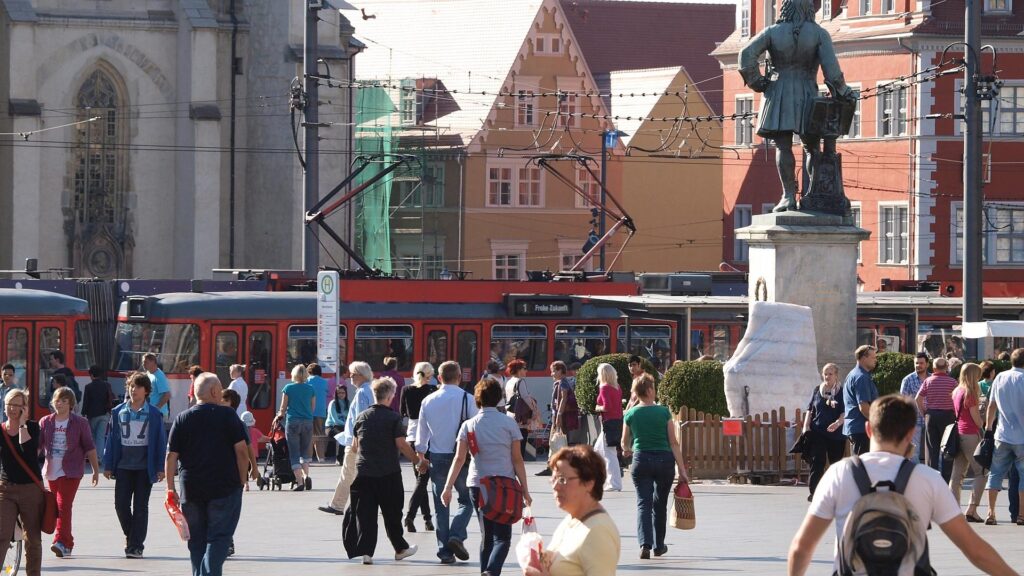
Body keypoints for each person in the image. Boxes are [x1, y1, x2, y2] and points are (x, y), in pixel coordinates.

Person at [787, 395, 1018, 576]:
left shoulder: (840, 473)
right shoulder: (928, 479)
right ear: (911, 434)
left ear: (869, 430)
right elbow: (974, 550)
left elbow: (802, 547)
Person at [737, 0, 855, 213]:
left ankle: (788, 196)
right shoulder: (819, 34)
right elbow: (832, 72)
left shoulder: (773, 31)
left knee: (783, 146)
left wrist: (759, 83)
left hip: (778, 92)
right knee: (812, 147)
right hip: (808, 93)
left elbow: (746, 56)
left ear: (785, 7)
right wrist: (843, 92)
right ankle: (811, 195)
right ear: (809, 8)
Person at [441, 377, 532, 576]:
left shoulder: (469, 425)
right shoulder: (509, 423)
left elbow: (459, 458)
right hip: (504, 485)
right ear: (499, 398)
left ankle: (486, 571)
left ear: (478, 398)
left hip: (478, 484)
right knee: (503, 538)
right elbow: (517, 459)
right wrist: (525, 489)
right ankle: (491, 572)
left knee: (487, 536)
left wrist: (448, 487)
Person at [165, 372, 249, 576]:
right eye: (219, 389)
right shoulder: (228, 415)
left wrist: (171, 487)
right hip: (224, 488)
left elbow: (171, 457)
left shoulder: (182, 418)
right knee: (219, 538)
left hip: (191, 490)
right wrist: (242, 480)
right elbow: (241, 451)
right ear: (213, 391)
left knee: (196, 541)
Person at [342, 377, 419, 565]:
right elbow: (401, 444)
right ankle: (400, 548)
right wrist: (417, 460)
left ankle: (367, 553)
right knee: (392, 513)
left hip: (364, 473)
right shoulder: (393, 418)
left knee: (366, 515)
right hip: (388, 473)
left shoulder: (362, 417)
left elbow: (354, 447)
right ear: (391, 395)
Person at [415, 360, 478, 565]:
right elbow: (475, 429)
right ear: (459, 377)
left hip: (437, 457)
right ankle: (456, 535)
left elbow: (421, 434)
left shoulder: (428, 400)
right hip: (462, 457)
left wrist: (421, 457)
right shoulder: (468, 399)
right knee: (467, 500)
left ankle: (444, 552)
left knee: (440, 505)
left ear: (439, 378)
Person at [523, 445, 620, 576]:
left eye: (562, 479)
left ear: (589, 483)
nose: (555, 486)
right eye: (554, 479)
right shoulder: (572, 519)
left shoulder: (597, 531)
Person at [622, 373, 689, 559]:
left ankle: (645, 544)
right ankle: (659, 546)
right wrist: (682, 470)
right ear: (650, 390)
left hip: (641, 460)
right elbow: (674, 442)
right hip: (664, 461)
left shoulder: (631, 413)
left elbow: (623, 443)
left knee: (643, 503)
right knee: (660, 504)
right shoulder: (664, 412)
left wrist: (627, 450)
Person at [103, 371, 167, 559]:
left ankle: (135, 546)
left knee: (141, 506)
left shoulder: (154, 414)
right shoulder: (118, 411)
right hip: (123, 466)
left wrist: (160, 467)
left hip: (144, 468)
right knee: (120, 505)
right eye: (131, 386)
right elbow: (111, 439)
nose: (134, 390)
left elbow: (160, 442)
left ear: (146, 391)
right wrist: (107, 464)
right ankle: (131, 535)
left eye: (138, 387)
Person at [38, 386, 99, 558]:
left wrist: (95, 470)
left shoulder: (80, 423)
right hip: (51, 471)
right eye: (58, 400)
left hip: (71, 471)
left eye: (65, 401)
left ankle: (61, 542)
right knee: (56, 507)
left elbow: (89, 447)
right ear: (53, 402)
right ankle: (68, 542)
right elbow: (38, 446)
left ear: (71, 404)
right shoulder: (46, 422)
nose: (61, 404)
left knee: (63, 506)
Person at [320, 361, 375, 515]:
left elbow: (361, 418)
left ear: (361, 375)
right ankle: (340, 504)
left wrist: (356, 440)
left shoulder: (362, 393)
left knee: (348, 473)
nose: (350, 377)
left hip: (355, 441)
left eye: (353, 374)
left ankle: (338, 505)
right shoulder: (369, 390)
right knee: (355, 474)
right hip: (359, 440)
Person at [0, 389, 43, 575]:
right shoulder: (1, 430)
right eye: (10, 404)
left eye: (18, 405)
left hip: (30, 490)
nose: (13, 409)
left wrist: (23, 425)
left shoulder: (32, 427)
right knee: (2, 534)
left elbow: (28, 454)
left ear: (24, 408)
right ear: (4, 406)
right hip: (6, 488)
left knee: (32, 538)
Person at [984, 348, 1024, 525]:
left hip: (1002, 434)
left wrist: (988, 426)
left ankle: (991, 512)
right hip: (1022, 437)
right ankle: (1022, 514)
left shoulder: (1000, 377)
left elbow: (991, 405)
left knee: (995, 474)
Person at [400, 361, 436, 533]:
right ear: (429, 375)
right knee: (423, 480)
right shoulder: (432, 390)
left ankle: (428, 519)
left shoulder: (406, 390)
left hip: (412, 436)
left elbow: (402, 412)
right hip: (427, 437)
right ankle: (410, 516)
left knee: (420, 480)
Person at [949, 363, 987, 523]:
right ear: (973, 376)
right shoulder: (970, 393)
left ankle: (952, 510)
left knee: (957, 474)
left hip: (959, 433)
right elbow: (977, 421)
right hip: (971, 434)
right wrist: (983, 417)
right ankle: (972, 509)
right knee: (982, 472)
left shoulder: (957, 391)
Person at [803, 363, 845, 501]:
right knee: (817, 462)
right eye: (825, 373)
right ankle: (814, 493)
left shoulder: (841, 392)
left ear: (836, 375)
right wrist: (806, 426)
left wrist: (838, 423)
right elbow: (810, 409)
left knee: (835, 464)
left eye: (830, 374)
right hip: (818, 432)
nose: (827, 376)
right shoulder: (817, 390)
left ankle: (835, 493)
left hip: (836, 434)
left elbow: (845, 412)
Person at [273, 364, 315, 491]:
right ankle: (306, 475)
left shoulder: (288, 388)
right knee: (305, 451)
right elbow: (312, 407)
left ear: (294, 374)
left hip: (293, 422)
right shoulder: (311, 389)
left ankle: (300, 482)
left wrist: (279, 416)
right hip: (308, 422)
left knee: (294, 453)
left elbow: (283, 408)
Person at [915, 357, 958, 481]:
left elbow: (918, 398)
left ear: (933, 368)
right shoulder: (952, 382)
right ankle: (945, 479)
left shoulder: (928, 381)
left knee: (932, 449)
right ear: (946, 368)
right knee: (947, 449)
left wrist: (924, 412)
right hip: (948, 416)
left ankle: (931, 477)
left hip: (931, 416)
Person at [842, 345, 878, 455]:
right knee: (862, 467)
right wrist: (877, 423)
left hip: (855, 427)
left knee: (861, 466)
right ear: (863, 358)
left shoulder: (853, 374)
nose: (875, 360)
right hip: (861, 428)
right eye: (873, 357)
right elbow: (864, 407)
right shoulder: (861, 377)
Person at [593, 362, 624, 492]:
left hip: (608, 422)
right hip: (616, 422)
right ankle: (607, 479)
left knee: (609, 453)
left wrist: (597, 407)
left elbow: (607, 407)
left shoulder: (604, 388)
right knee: (598, 450)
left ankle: (615, 483)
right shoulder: (617, 387)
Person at [899, 352, 929, 463]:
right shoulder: (908, 380)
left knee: (932, 450)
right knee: (914, 452)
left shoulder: (932, 379)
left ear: (927, 364)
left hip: (929, 419)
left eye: (921, 363)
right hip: (914, 420)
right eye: (916, 363)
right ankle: (914, 475)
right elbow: (903, 401)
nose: (918, 365)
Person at [81, 365, 115, 465]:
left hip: (92, 415)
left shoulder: (88, 387)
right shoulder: (107, 385)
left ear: (91, 375)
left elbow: (86, 402)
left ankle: (92, 456)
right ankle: (99, 457)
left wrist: (84, 413)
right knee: (100, 436)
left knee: (92, 436)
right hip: (105, 414)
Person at [505, 360, 537, 460]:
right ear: (519, 370)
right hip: (520, 419)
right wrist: (534, 411)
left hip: (510, 416)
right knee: (520, 447)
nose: (526, 371)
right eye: (524, 368)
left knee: (512, 447)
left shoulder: (509, 381)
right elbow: (526, 398)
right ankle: (518, 471)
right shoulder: (520, 381)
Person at [551, 361, 581, 447]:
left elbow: (563, 398)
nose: (551, 374)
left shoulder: (563, 382)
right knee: (562, 438)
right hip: (562, 414)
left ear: (560, 371)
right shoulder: (564, 381)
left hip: (562, 414)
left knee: (561, 438)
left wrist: (559, 415)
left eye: (553, 371)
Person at [306, 363, 329, 462]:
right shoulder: (324, 382)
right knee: (319, 434)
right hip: (321, 411)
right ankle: (321, 457)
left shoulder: (307, 381)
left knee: (309, 434)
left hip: (309, 410)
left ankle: (309, 457)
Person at [324, 382, 350, 465]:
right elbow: (335, 420)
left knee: (349, 434)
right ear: (336, 393)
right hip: (331, 427)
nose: (341, 394)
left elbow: (350, 417)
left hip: (343, 427)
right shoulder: (333, 403)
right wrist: (346, 425)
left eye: (343, 393)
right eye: (339, 393)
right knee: (343, 435)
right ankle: (339, 458)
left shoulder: (348, 403)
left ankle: (348, 457)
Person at [142, 353, 171, 422]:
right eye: (143, 362)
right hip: (151, 413)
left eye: (146, 362)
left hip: (159, 414)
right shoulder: (149, 373)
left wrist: (156, 409)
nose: (143, 364)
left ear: (153, 362)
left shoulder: (159, 376)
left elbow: (167, 395)